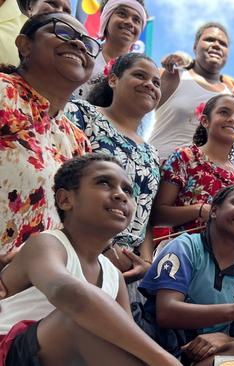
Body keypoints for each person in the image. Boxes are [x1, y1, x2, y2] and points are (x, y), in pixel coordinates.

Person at [0, 153, 181, 366]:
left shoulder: (115, 277)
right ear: (65, 199)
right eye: (104, 183)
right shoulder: (47, 244)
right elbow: (68, 292)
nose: (121, 195)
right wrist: (165, 361)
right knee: (78, 322)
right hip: (10, 353)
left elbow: (126, 340)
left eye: (128, 190)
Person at [139, 185, 234, 362]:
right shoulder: (185, 247)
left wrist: (225, 339)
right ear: (214, 211)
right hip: (161, 353)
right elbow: (165, 313)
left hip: (206, 359)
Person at [0, 12, 95, 263]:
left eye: (87, 44)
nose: (78, 44)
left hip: (32, 292)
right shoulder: (3, 91)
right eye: (63, 32)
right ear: (25, 44)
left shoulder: (78, 140)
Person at [65, 53, 161, 285]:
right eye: (140, 75)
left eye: (156, 83)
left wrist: (146, 262)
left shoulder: (153, 154)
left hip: (123, 277)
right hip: (73, 255)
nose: (150, 84)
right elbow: (59, 180)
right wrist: (105, 249)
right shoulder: (81, 114)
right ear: (113, 80)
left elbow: (145, 214)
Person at [153, 94, 234, 235]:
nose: (232, 119)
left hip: (225, 255)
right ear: (205, 121)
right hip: (183, 253)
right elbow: (157, 214)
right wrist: (199, 209)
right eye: (224, 112)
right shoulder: (184, 158)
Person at [149, 22, 234, 159]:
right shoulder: (173, 76)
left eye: (223, 44)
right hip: (160, 171)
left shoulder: (233, 92)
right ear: (195, 46)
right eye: (210, 39)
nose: (216, 45)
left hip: (211, 177)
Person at [74, 0, 147, 99]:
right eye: (122, 14)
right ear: (106, 19)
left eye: (136, 20)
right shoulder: (81, 53)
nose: (130, 22)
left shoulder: (139, 74)